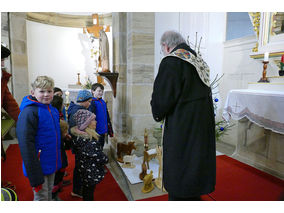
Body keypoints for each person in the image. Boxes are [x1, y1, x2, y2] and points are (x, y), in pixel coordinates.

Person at [150, 31, 216, 201]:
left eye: (162, 49)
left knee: (181, 168)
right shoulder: (197, 60)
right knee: (195, 163)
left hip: (182, 127)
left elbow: (162, 99)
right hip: (201, 126)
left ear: (166, 46)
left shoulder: (172, 61)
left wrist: (157, 111)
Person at [16, 76, 62, 201]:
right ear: (33, 92)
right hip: (38, 165)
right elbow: (26, 145)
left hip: (51, 161)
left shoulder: (52, 110)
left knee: (48, 194)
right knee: (41, 198)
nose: (46, 94)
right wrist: (34, 174)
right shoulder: (29, 112)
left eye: (49, 91)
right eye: (42, 91)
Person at [71, 109, 108, 201]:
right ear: (86, 124)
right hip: (90, 172)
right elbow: (101, 158)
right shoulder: (90, 142)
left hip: (83, 171)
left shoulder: (79, 137)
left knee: (86, 190)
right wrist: (107, 158)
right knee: (89, 193)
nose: (95, 121)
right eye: (92, 120)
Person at [67, 89, 93, 198]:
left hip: (79, 144)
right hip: (81, 145)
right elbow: (77, 130)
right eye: (89, 101)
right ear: (83, 100)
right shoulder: (79, 112)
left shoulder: (75, 108)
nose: (90, 104)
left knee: (79, 167)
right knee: (79, 168)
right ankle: (77, 190)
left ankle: (78, 188)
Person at [1, 44, 20, 161]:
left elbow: (10, 104)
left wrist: (23, 120)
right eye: (1, 60)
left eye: (3, 60)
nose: (3, 64)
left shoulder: (2, 80)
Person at [50, 96, 70, 200]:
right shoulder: (53, 116)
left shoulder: (56, 115)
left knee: (61, 167)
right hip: (56, 149)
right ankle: (53, 195)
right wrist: (64, 133)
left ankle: (56, 190)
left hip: (59, 148)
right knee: (57, 173)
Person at [89, 83, 113, 150]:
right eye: (99, 91)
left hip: (103, 130)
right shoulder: (92, 103)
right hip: (96, 131)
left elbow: (107, 116)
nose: (101, 92)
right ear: (93, 91)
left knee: (101, 147)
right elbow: (92, 118)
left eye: (102, 91)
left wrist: (109, 127)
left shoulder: (102, 101)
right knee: (96, 149)